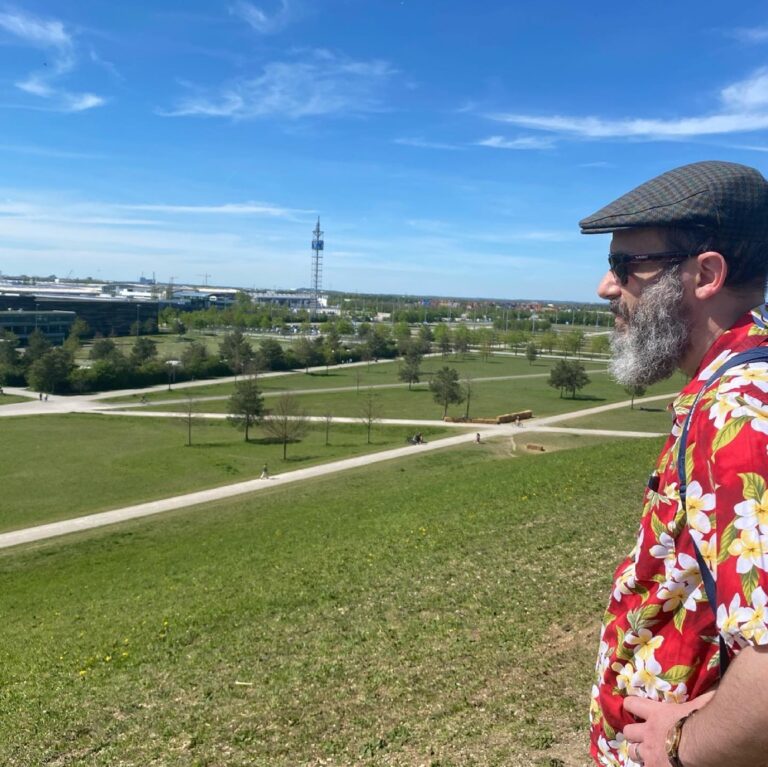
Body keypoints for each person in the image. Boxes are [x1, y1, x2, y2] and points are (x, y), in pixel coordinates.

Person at [580, 161, 768, 767]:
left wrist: (688, 747)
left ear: (706, 273)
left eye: (626, 265)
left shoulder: (737, 415)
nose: (608, 287)